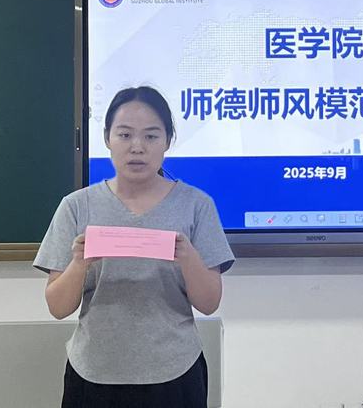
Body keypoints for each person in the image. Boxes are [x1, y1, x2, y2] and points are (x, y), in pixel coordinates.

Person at [34, 86, 234, 408]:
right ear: (107, 138)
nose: (137, 147)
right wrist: (79, 263)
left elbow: (210, 303)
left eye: (151, 136)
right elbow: (57, 308)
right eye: (125, 135)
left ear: (168, 140)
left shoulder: (196, 205)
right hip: (93, 373)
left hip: (175, 372)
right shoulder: (76, 206)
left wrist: (188, 258)